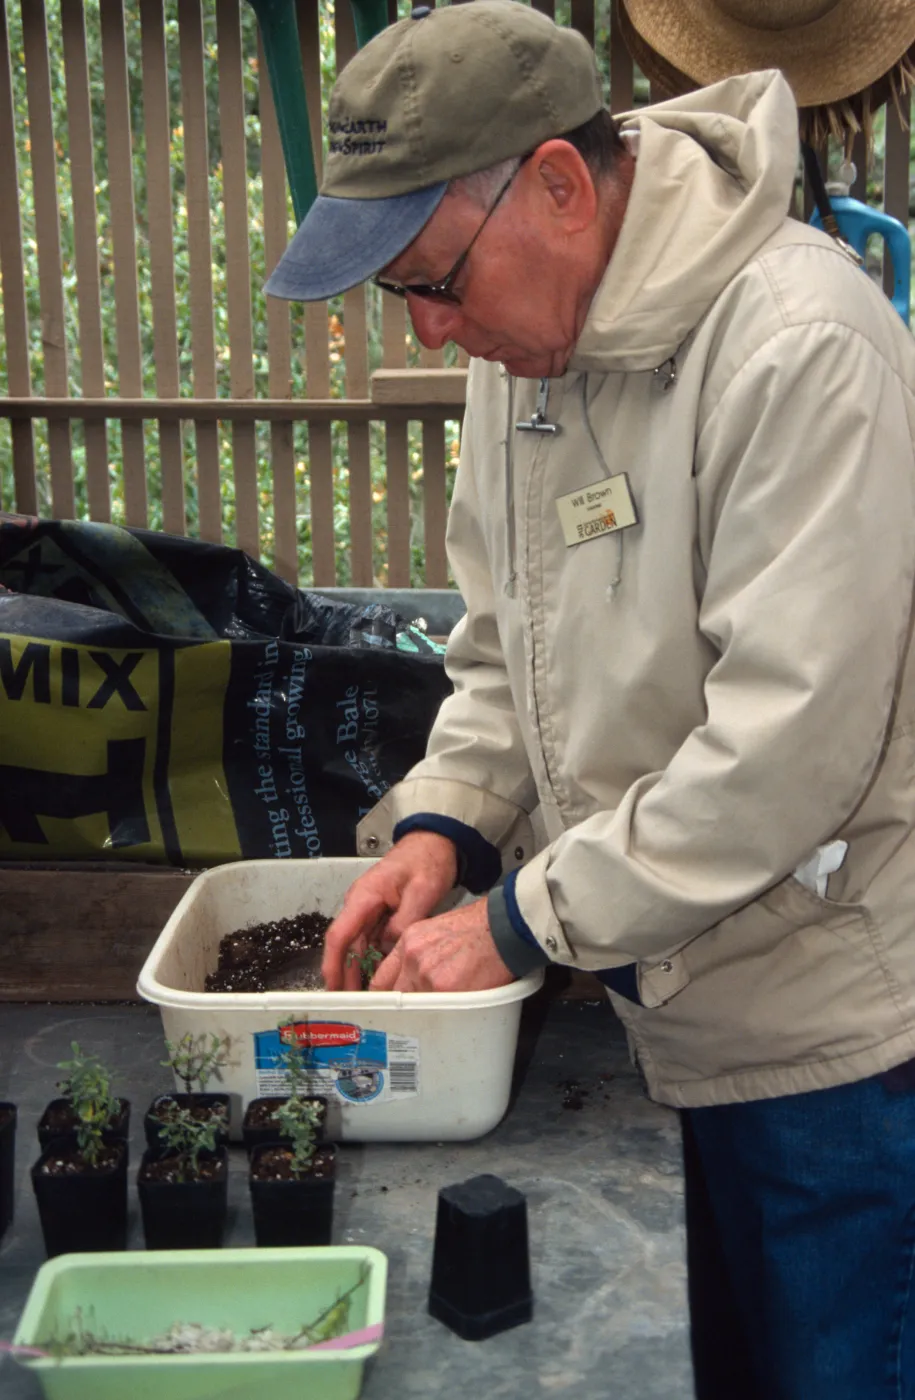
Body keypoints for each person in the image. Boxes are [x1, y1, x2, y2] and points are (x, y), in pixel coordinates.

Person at [266, 2, 915, 1395]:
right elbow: (504, 645)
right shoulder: (533, 355)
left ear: (560, 187)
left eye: (435, 279)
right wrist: (450, 825)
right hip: (671, 990)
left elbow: (783, 753)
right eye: (401, 298)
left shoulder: (800, 346)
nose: (436, 331)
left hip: (830, 1022)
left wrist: (517, 923)